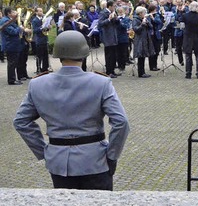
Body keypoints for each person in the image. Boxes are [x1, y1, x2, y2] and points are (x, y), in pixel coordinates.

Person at [13, 30, 130, 190]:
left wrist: (44, 151)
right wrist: (112, 155)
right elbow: (121, 122)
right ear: (84, 54)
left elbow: (21, 121)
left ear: (58, 55)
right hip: (95, 160)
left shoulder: (38, 84)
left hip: (58, 162)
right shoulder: (101, 82)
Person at [1, 7, 32, 85]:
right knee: (12, 63)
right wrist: (20, 28)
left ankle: (13, 78)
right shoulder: (5, 21)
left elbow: (18, 31)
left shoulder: (10, 20)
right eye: (14, 12)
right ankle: (11, 80)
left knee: (14, 62)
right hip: (10, 45)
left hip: (14, 44)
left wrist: (24, 30)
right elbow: (13, 32)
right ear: (9, 13)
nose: (16, 14)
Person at [182, 2, 198, 79]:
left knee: (188, 56)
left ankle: (188, 73)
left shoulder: (185, 15)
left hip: (188, 37)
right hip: (197, 37)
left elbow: (179, 19)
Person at [98, 0, 120, 78]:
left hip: (114, 36)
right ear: (109, 6)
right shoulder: (103, 13)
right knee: (109, 55)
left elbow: (117, 24)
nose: (115, 8)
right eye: (114, 6)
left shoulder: (114, 13)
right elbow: (100, 24)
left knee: (114, 54)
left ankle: (113, 70)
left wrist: (117, 19)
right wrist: (109, 19)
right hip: (107, 36)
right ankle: (109, 71)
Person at [131, 6, 155, 78]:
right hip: (139, 40)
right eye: (144, 12)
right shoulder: (135, 20)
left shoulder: (143, 19)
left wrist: (147, 22)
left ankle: (143, 72)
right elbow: (136, 29)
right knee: (140, 56)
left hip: (145, 39)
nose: (145, 14)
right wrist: (142, 24)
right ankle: (141, 73)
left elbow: (151, 27)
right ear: (140, 13)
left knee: (143, 56)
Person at [32, 7, 50, 73]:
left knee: (45, 55)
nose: (41, 12)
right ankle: (38, 69)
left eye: (42, 11)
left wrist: (48, 27)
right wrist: (42, 27)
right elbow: (35, 30)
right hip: (39, 40)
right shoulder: (34, 20)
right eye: (40, 11)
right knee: (39, 56)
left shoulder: (44, 19)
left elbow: (46, 29)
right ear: (36, 12)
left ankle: (45, 68)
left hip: (45, 39)